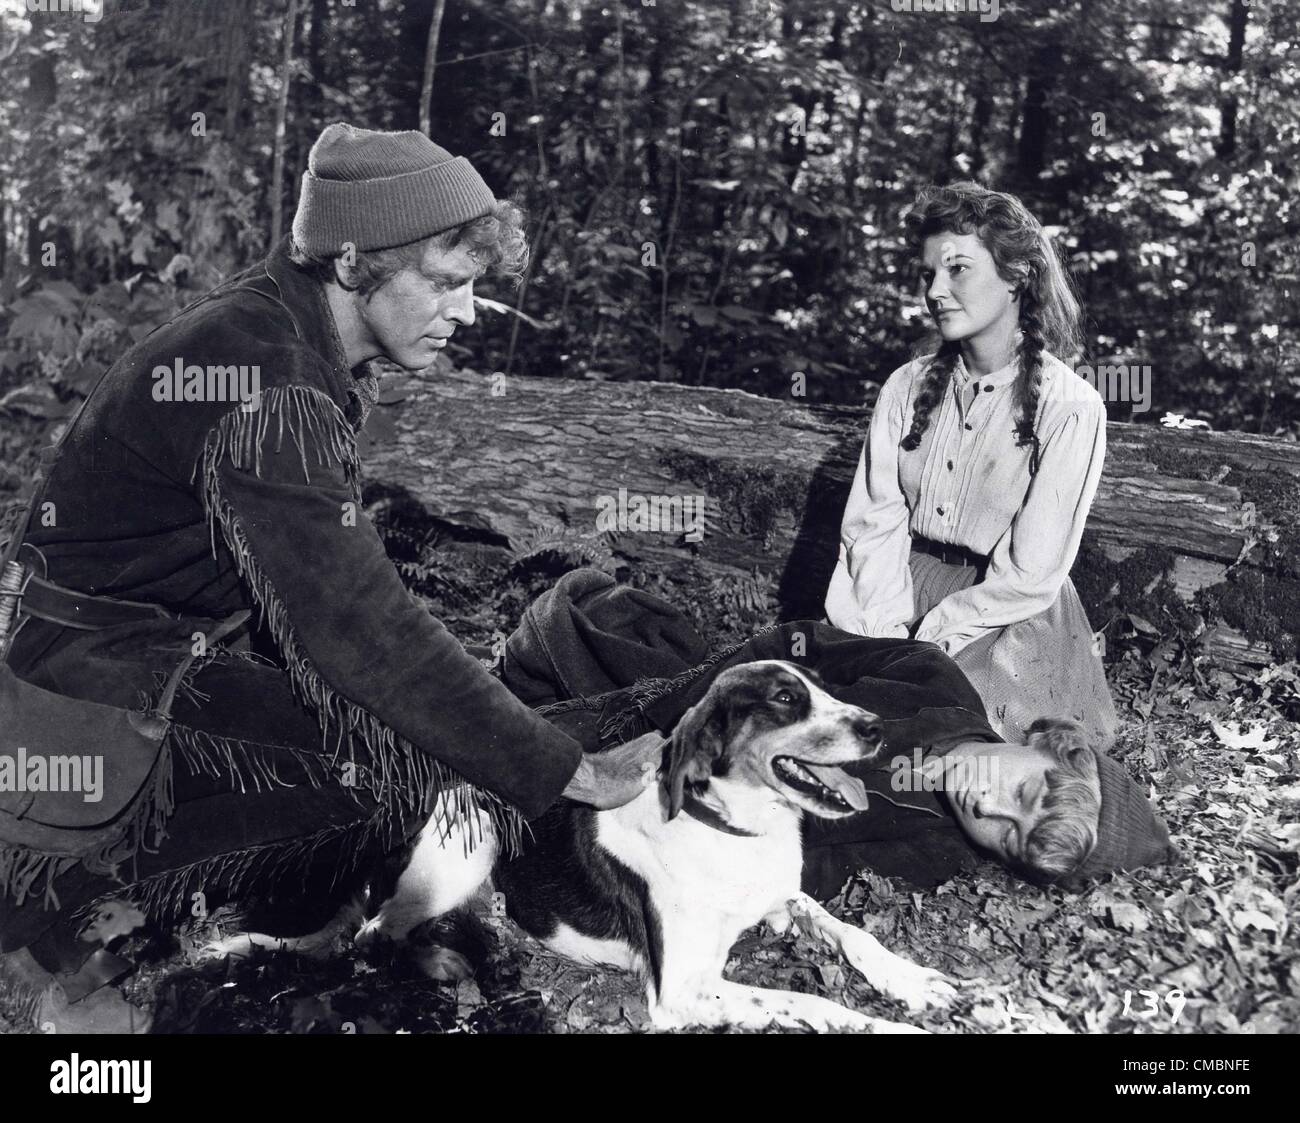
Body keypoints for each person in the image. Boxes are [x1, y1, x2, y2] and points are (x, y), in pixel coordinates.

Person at [0, 124, 663, 1032]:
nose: (466, 311)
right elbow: (353, 623)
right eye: (443, 280)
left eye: (472, 284)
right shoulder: (265, 374)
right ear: (354, 260)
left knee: (408, 736)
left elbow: (310, 586)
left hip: (148, 648)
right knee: (400, 767)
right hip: (98, 678)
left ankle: (250, 912)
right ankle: (68, 927)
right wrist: (557, 766)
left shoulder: (283, 332)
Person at [825, 181, 1117, 751]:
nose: (936, 290)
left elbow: (1030, 573)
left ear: (1017, 276)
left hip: (1005, 612)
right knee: (831, 723)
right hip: (895, 585)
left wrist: (933, 638)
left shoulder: (1070, 407)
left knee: (949, 747)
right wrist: (886, 632)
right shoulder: (906, 386)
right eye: (928, 273)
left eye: (957, 269)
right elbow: (874, 521)